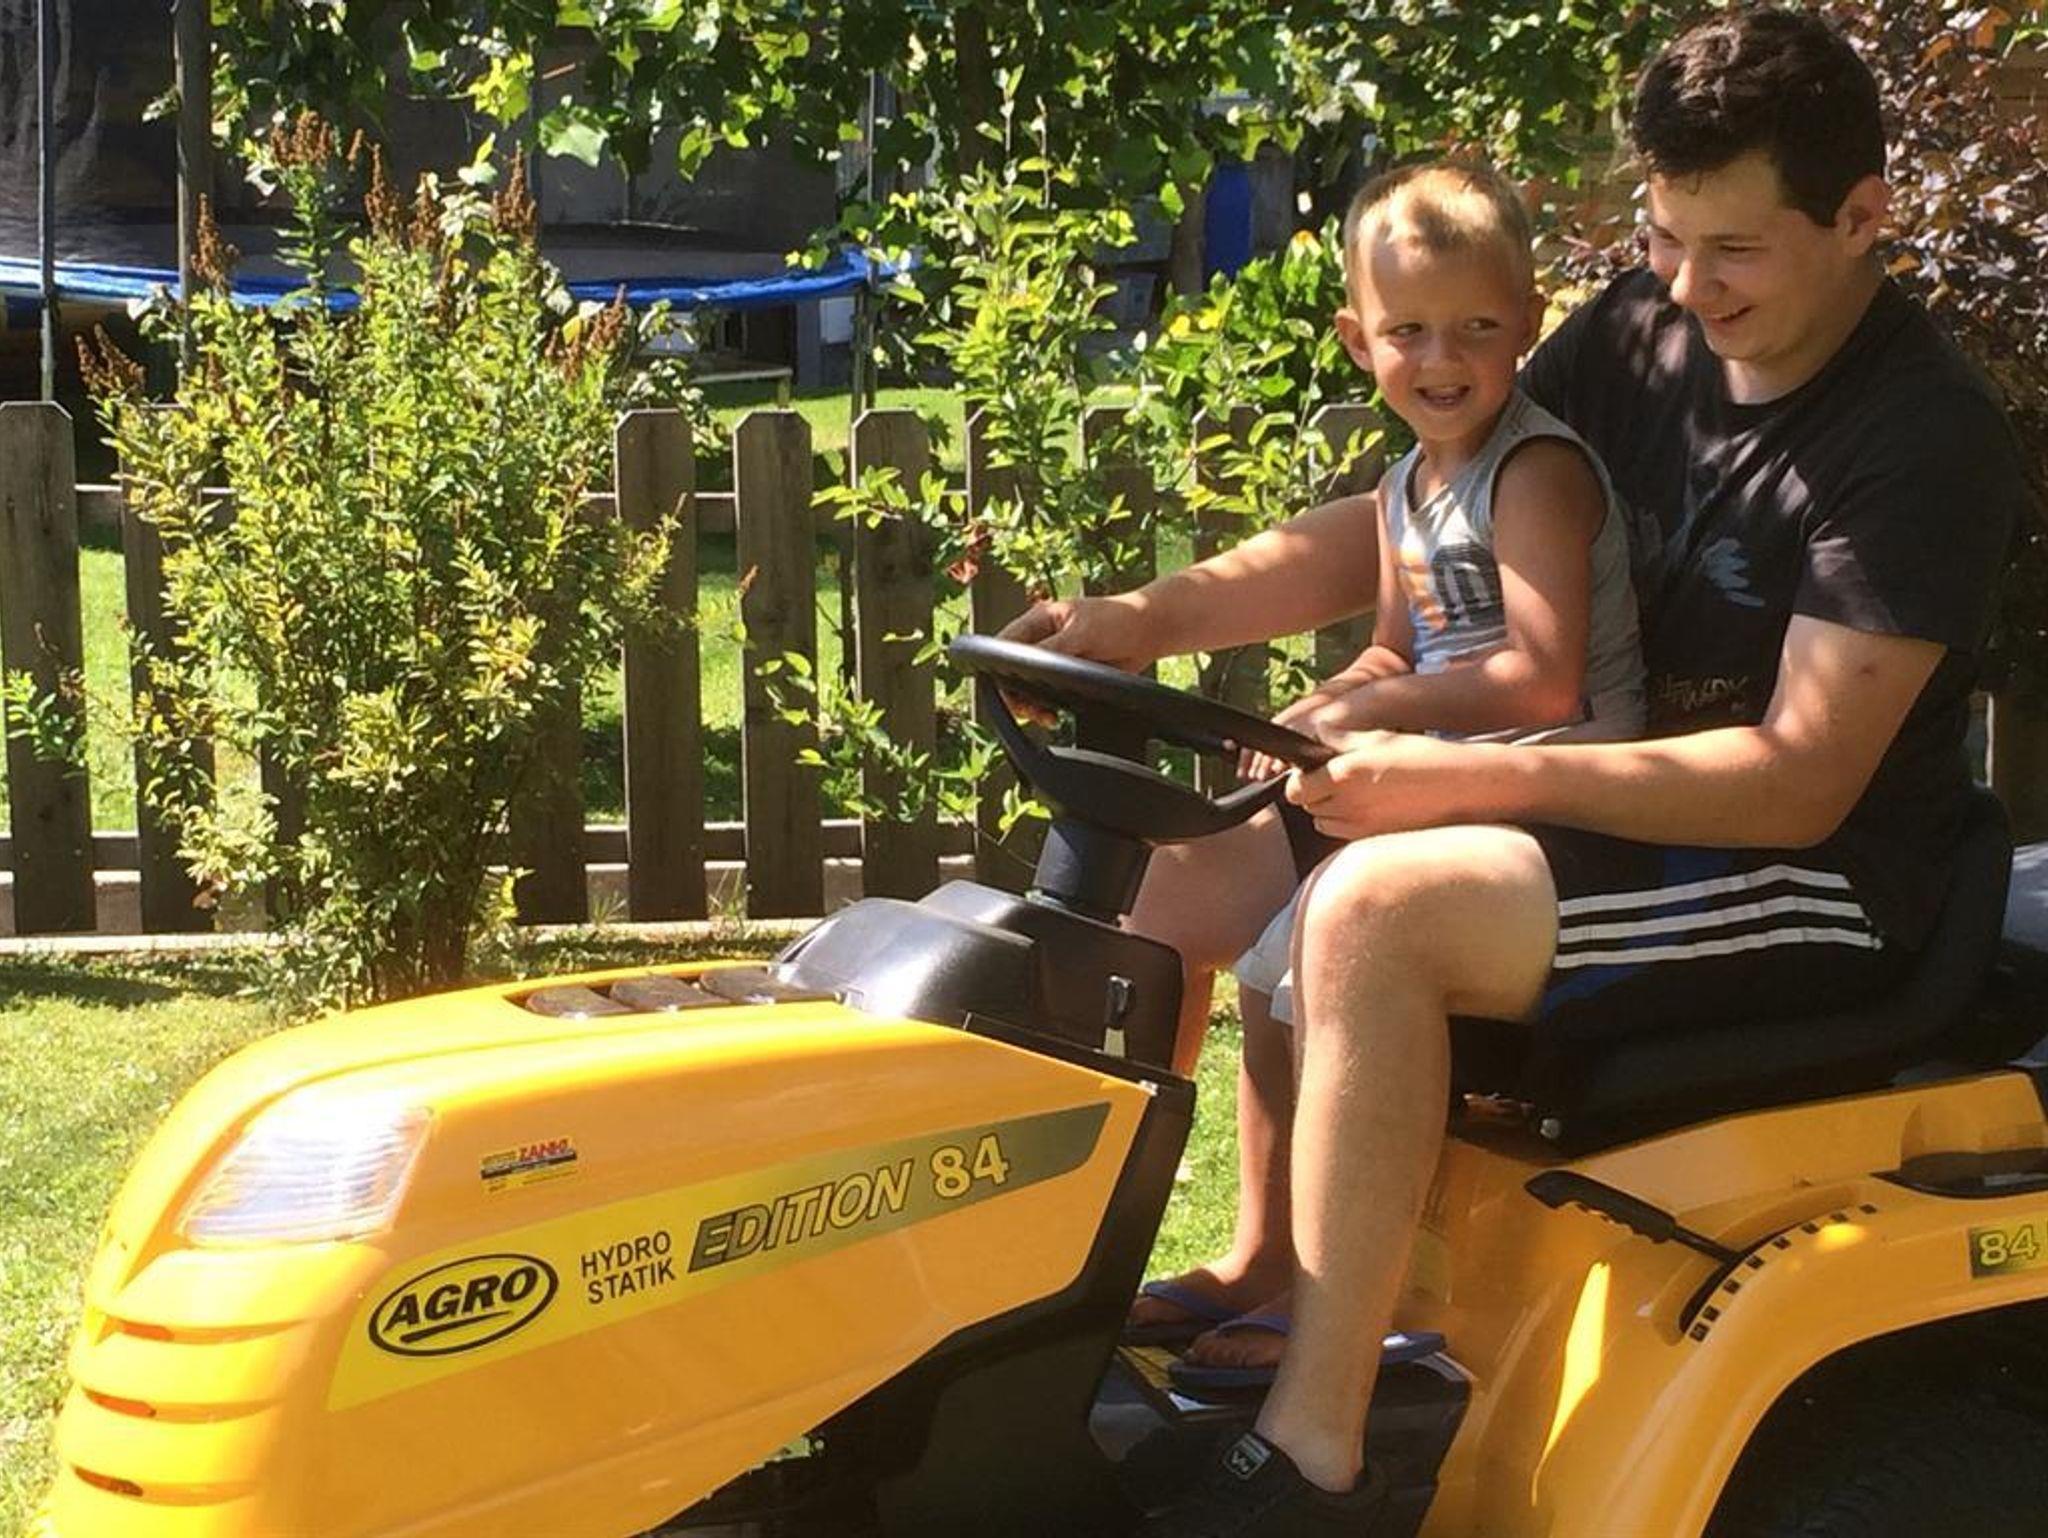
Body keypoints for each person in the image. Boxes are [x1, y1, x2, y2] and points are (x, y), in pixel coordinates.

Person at [1002, 10, 2027, 1533]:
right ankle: (1042, 1346)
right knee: (1176, 876)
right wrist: (1145, 617)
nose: (1687, 286)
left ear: (1861, 215)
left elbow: (1796, 780)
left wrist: (1461, 778)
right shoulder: (1645, 333)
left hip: (1818, 879)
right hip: (1615, 806)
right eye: (1664, 237)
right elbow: (1423, 511)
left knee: (1379, 911)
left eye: (1733, 250)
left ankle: (1311, 1452)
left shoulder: (1920, 439)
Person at [1123, 159, 1648, 1381]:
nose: (1440, 357)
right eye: (1407, 330)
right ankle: (1259, 1251)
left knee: (1329, 947)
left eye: (1475, 328)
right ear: (1357, 338)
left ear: (1527, 322)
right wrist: (1329, 702)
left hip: (1555, 774)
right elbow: (1396, 647)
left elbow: (1541, 677)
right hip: (1448, 754)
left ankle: (1343, 1289)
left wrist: (1380, 710)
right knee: (1262, 967)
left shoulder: (1535, 472)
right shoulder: (1405, 484)